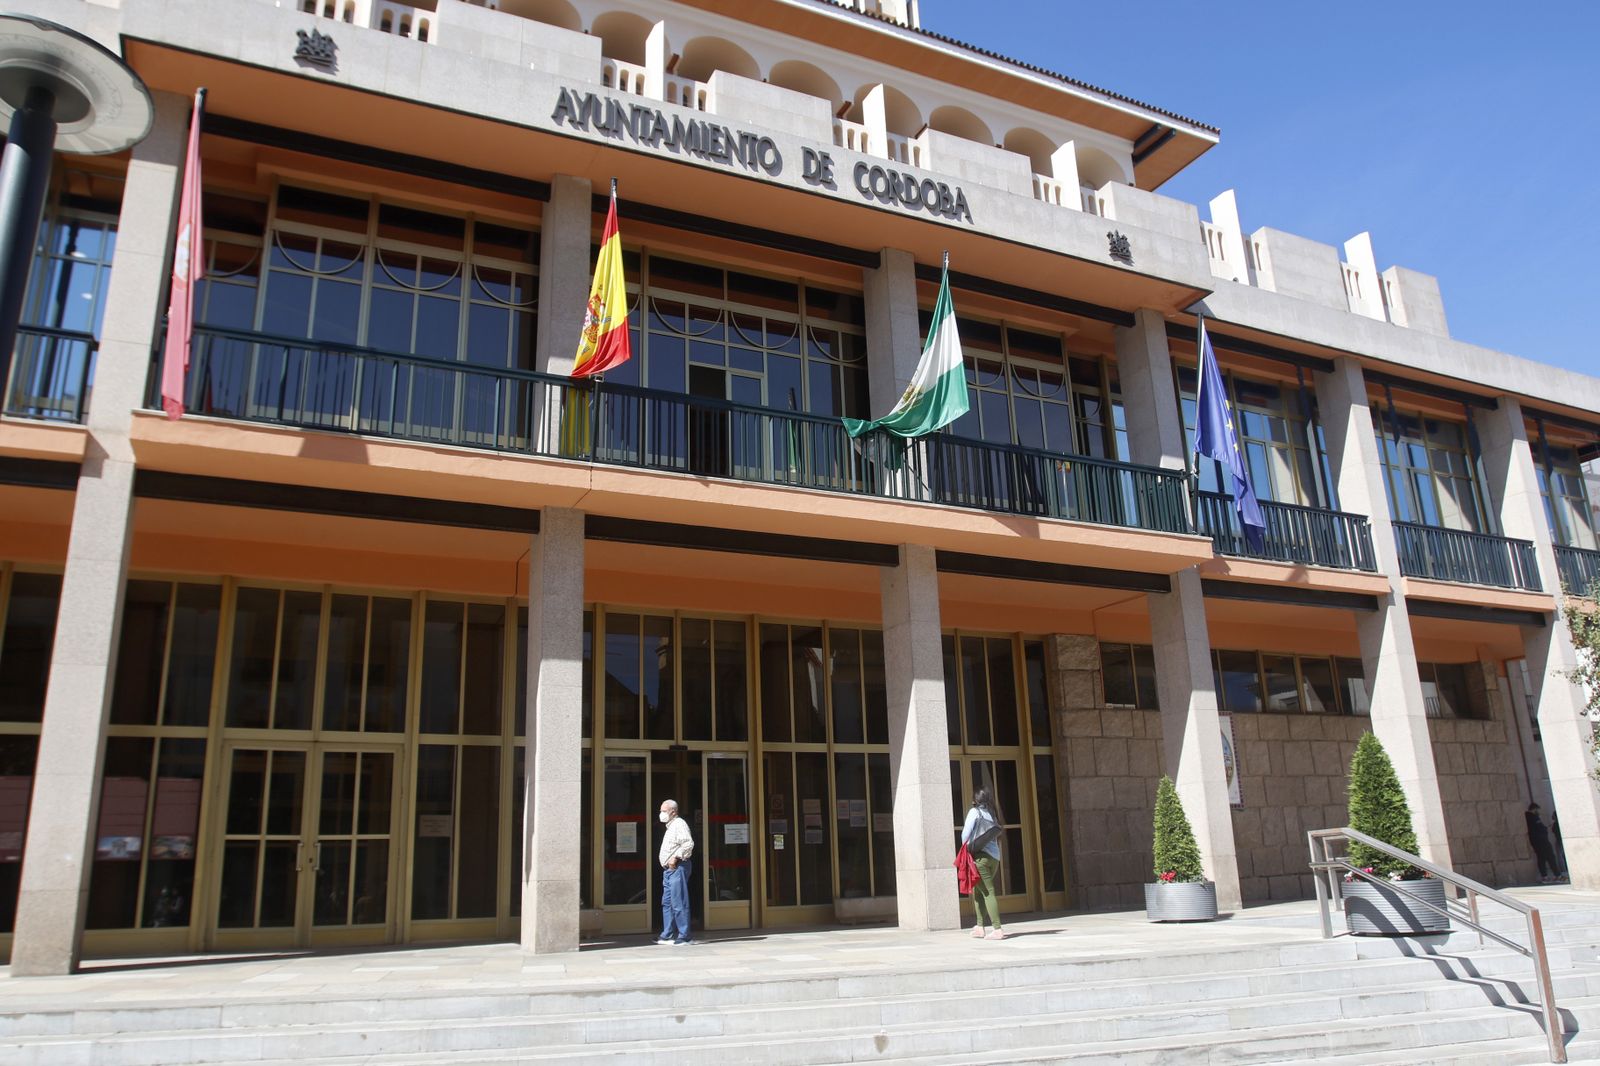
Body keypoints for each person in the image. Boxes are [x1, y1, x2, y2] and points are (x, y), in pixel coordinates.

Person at [961, 789, 1005, 940]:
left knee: (987, 892)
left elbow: (965, 834)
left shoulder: (975, 812)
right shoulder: (992, 813)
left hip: (980, 858)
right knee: (978, 891)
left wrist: (966, 849)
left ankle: (997, 929)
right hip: (995, 857)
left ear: (975, 800)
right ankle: (980, 927)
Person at [657, 798, 694, 945]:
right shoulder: (670, 826)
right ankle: (667, 934)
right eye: (661, 811)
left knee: (679, 902)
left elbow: (688, 843)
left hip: (677, 867)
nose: (661, 814)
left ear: (673, 811)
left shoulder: (679, 824)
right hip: (668, 870)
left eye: (664, 811)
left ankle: (684, 936)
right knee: (667, 902)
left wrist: (676, 857)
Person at [1525, 802, 1564, 883]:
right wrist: (1544, 829)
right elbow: (1540, 829)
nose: (1539, 812)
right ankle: (1558, 875)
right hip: (1542, 841)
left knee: (1541, 858)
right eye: (1538, 810)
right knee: (1551, 857)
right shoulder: (1533, 818)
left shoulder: (1529, 818)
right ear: (1534, 809)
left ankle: (1545, 877)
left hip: (1536, 842)